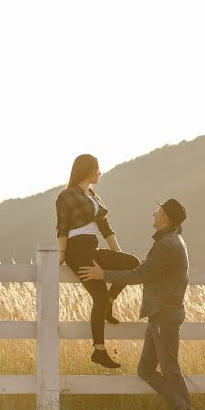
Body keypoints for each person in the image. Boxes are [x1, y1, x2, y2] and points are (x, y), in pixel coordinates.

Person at [79, 198, 193, 410]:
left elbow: (142, 275)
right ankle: (183, 409)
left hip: (164, 313)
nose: (153, 213)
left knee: (169, 368)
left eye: (158, 212)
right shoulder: (170, 242)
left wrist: (104, 275)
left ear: (165, 219)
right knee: (146, 370)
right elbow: (149, 268)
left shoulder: (168, 245)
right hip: (160, 313)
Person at [55, 154, 141, 369]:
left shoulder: (94, 196)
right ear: (88, 171)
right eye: (98, 169)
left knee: (133, 263)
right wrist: (62, 256)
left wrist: (119, 257)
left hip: (93, 247)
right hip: (78, 250)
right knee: (99, 295)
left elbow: (106, 229)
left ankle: (111, 301)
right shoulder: (66, 196)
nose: (100, 173)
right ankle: (99, 350)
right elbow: (62, 227)